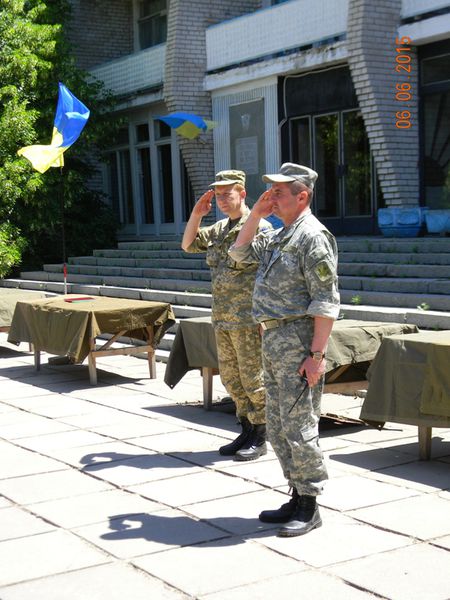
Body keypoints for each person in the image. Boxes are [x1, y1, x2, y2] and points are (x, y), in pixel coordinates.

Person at [229, 163, 340, 536]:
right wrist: (256, 215)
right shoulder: (281, 235)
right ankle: (295, 494)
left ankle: (310, 505)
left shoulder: (313, 237)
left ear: (302, 196)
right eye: (270, 191)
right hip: (274, 341)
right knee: (277, 427)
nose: (272, 197)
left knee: (299, 426)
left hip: (298, 343)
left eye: (279, 192)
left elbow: (326, 302)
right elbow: (240, 253)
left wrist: (317, 356)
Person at [181, 170, 272, 461]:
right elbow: (188, 245)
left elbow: (269, 276)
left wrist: (264, 319)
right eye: (217, 194)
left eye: (227, 193)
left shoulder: (259, 227)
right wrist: (197, 215)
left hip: (248, 319)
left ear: (242, 193)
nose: (221, 199)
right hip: (222, 317)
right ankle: (245, 429)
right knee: (232, 380)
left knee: (254, 380)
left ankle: (261, 435)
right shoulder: (219, 228)